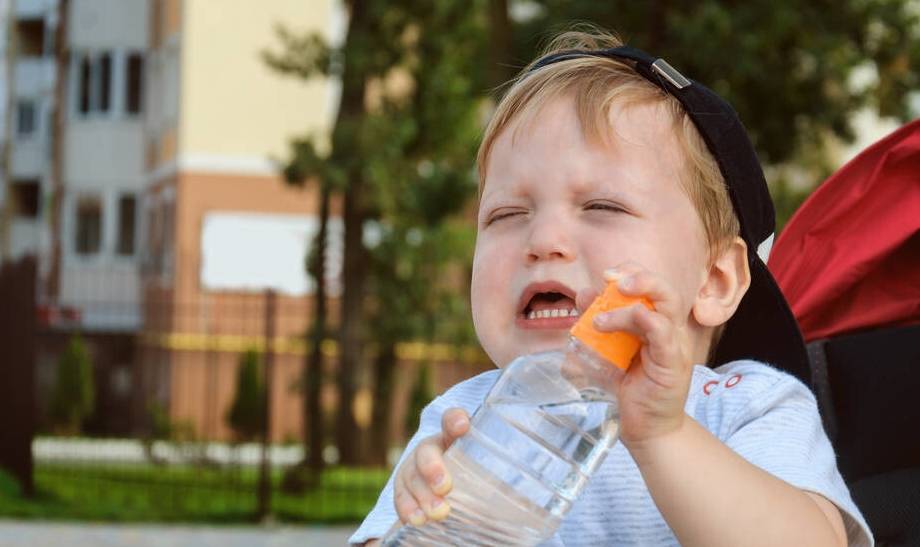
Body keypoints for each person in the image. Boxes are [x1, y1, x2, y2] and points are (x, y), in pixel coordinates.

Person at [350, 28, 873, 546]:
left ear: (714, 281)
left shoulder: (744, 404)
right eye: (507, 213)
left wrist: (664, 435)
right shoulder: (462, 418)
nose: (543, 239)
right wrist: (420, 524)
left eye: (602, 207)